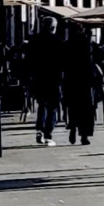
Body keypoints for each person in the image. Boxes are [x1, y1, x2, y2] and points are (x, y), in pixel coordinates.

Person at [25, 17, 65, 146]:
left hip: (38, 77)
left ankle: (39, 129)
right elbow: (62, 61)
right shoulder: (58, 41)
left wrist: (29, 76)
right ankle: (48, 134)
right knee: (53, 106)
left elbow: (28, 59)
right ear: (54, 27)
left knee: (42, 104)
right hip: (54, 78)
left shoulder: (34, 40)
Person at [63, 28, 104, 146]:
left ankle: (72, 128)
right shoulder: (90, 45)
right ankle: (84, 136)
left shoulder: (67, 45)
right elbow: (103, 58)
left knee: (73, 106)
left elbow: (62, 61)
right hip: (88, 80)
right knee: (88, 109)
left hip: (71, 79)